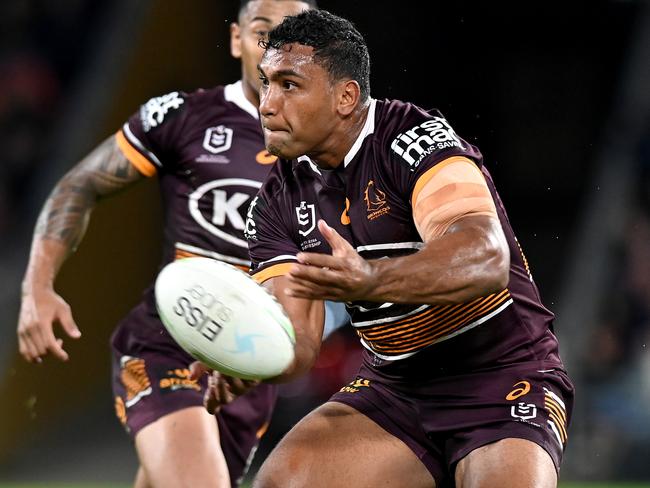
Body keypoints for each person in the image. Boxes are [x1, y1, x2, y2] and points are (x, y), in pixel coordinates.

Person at [221, 9, 574, 488]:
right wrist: (244, 357)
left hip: (502, 376)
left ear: (346, 97)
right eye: (265, 83)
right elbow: (300, 347)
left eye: (288, 85)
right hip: (397, 388)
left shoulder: (413, 139)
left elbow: (487, 257)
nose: (266, 104)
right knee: (282, 482)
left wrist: (372, 279)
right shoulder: (275, 204)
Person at [14, 2, 351, 487]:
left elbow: (333, 285)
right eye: (263, 32)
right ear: (236, 39)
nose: (278, 51)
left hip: (248, 372)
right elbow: (79, 184)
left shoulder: (341, 154)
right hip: (165, 345)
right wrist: (37, 287)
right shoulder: (183, 116)